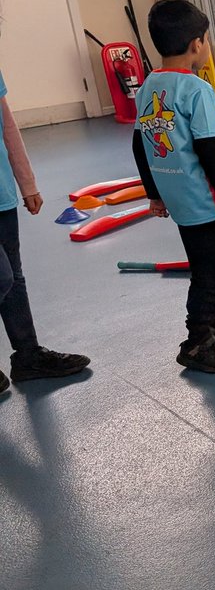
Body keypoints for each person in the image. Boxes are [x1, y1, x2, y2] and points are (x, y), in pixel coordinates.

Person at [132, 0, 215, 372]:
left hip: (176, 196)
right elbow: (210, 152)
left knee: (202, 260)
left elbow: (139, 144)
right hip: (203, 201)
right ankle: (198, 338)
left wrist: (153, 193)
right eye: (208, 40)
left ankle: (212, 318)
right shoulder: (198, 90)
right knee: (211, 267)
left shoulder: (150, 84)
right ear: (197, 44)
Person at [0, 31, 91, 395]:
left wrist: (27, 183)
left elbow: (7, 128)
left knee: (15, 277)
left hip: (2, 195)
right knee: (2, 278)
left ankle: (28, 357)